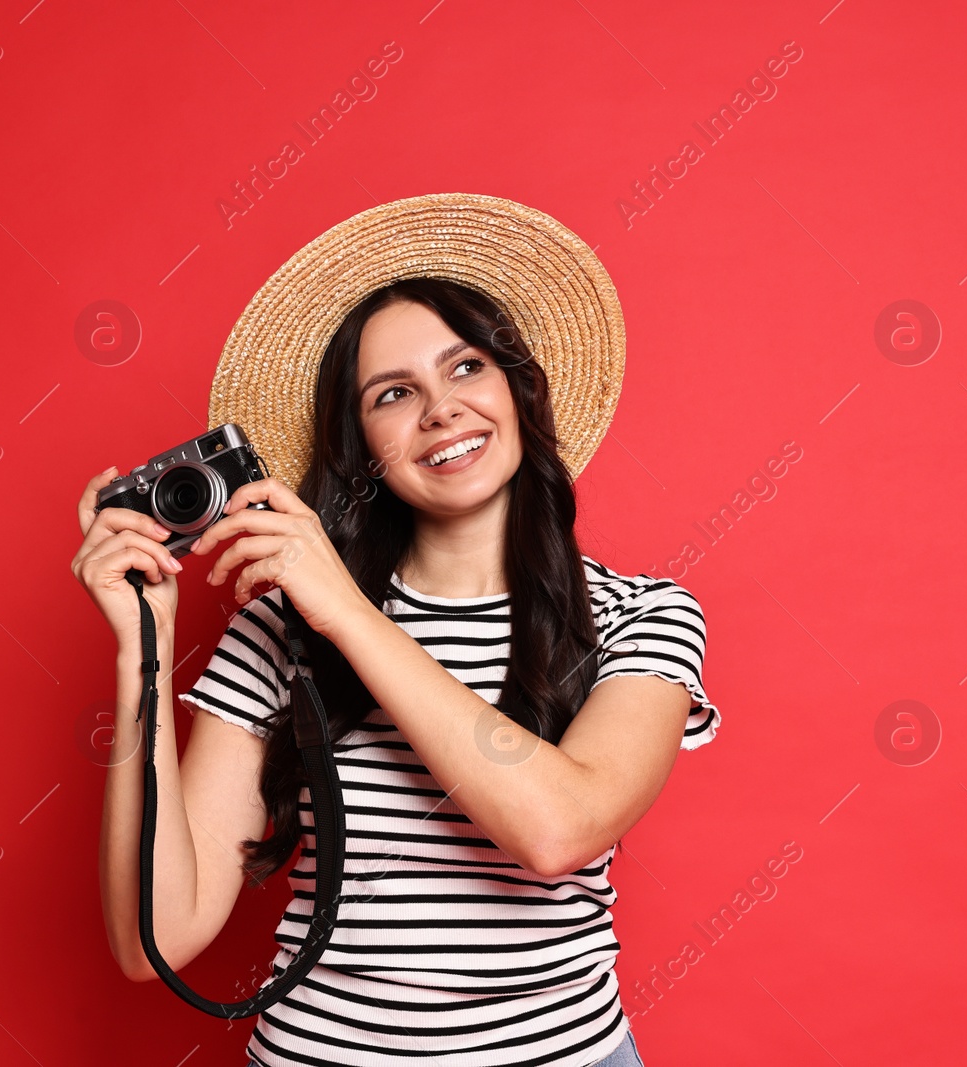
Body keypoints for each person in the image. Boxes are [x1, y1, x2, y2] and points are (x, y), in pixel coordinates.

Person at [70, 196, 719, 1066]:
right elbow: (158, 940)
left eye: (466, 367)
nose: (441, 409)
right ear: (361, 446)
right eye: (394, 393)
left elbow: (560, 830)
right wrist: (138, 653)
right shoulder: (278, 627)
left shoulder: (643, 616)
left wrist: (345, 610)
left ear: (519, 391)